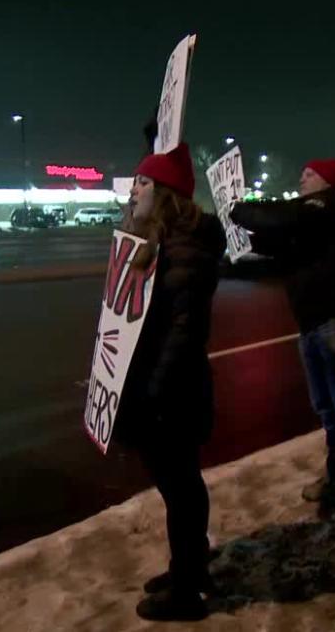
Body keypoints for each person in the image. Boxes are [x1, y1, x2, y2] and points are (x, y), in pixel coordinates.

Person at [229, 157, 335, 537]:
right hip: (313, 326)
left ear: (328, 183)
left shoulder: (331, 208)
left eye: (310, 173)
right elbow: (271, 248)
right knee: (328, 411)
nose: (302, 176)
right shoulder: (310, 224)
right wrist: (230, 252)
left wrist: (238, 208)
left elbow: (281, 218)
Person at [114, 142, 225, 622]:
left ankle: (187, 591)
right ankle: (190, 566)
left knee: (180, 488)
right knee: (176, 484)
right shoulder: (154, 241)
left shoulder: (184, 248)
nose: (134, 188)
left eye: (143, 182)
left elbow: (183, 331)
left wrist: (154, 390)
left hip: (172, 391)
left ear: (164, 193)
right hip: (159, 385)